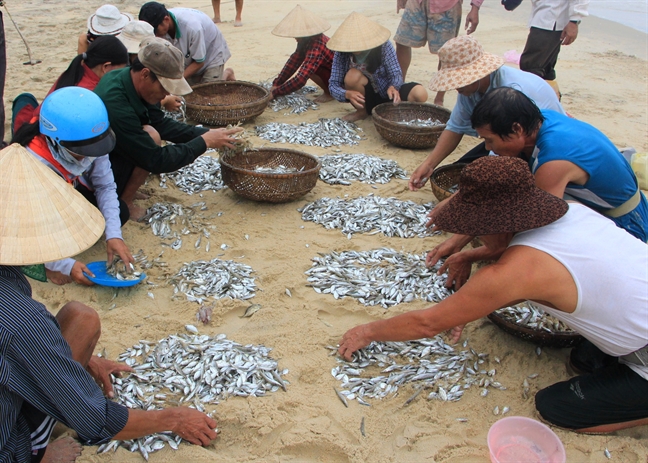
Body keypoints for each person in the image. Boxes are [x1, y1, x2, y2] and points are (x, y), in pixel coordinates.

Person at [339, 156, 648, 434]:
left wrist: (367, 331)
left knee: (555, 407)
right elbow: (528, 281)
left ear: (496, 224)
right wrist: (466, 306)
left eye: (476, 228)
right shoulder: (574, 211)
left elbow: (427, 324)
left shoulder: (515, 270)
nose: (475, 235)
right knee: (582, 362)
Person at [0, 143, 219, 462]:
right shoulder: (23, 322)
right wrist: (172, 419)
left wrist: (72, 361)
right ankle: (29, 452)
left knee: (80, 316)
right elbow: (93, 418)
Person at [426, 87, 648, 289]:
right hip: (594, 202)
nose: (487, 147)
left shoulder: (554, 162)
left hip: (626, 226)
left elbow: (533, 230)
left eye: (490, 140)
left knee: (530, 244)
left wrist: (469, 256)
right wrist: (457, 239)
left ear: (516, 128)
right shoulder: (540, 121)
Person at [93, 37, 241, 220]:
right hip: (98, 165)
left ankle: (125, 190)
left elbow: (162, 124)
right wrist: (203, 143)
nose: (166, 95)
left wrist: (208, 134)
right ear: (145, 74)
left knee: (152, 132)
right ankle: (123, 201)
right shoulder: (116, 104)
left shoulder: (132, 80)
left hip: (122, 144)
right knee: (151, 137)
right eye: (165, 87)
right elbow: (155, 160)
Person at [12, 87, 134, 286]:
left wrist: (113, 235)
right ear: (56, 141)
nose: (88, 155)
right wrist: (65, 265)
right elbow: (23, 227)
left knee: (120, 214)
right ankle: (46, 267)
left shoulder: (93, 140)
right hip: (34, 212)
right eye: (82, 151)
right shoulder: (33, 162)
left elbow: (105, 186)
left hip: (69, 189)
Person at [408, 35, 563, 192]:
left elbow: (515, 139)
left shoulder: (512, 90)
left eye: (459, 80)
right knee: (465, 175)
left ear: (476, 74)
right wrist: (429, 165)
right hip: (505, 136)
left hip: (538, 142)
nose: (456, 87)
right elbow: (455, 126)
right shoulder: (469, 90)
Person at [12, 35, 129, 135]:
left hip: (34, 124)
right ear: (106, 67)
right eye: (120, 70)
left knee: (24, 98)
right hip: (44, 137)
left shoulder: (76, 70)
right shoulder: (94, 93)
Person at [327, 12, 428, 122]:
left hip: (388, 93)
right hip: (367, 98)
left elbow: (395, 73)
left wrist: (394, 86)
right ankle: (363, 112)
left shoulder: (383, 46)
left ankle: (396, 109)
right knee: (352, 75)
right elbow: (333, 84)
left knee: (420, 93)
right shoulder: (342, 53)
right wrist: (346, 94)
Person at [394, 0, 483, 106]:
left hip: (448, 5)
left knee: (446, 52)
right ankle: (398, 87)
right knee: (402, 41)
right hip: (417, 2)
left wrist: (475, 7)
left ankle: (439, 98)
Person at [139, 2, 235, 84]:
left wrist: (176, 82)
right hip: (188, 54)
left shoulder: (193, 27)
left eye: (155, 31)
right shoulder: (160, 25)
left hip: (212, 54)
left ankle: (226, 75)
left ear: (166, 20)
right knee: (192, 90)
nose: (154, 35)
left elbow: (199, 62)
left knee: (209, 95)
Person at [518, 0, 589, 98]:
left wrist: (574, 20)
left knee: (531, 67)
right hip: (545, 16)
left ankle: (536, 104)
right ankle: (551, 103)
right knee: (544, 69)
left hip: (552, 19)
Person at [270, 5, 335, 103]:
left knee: (310, 70)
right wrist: (277, 83)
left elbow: (301, 79)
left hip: (340, 77)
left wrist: (276, 92)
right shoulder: (306, 40)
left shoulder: (317, 46)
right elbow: (294, 61)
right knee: (308, 66)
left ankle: (330, 93)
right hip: (329, 71)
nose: (294, 37)